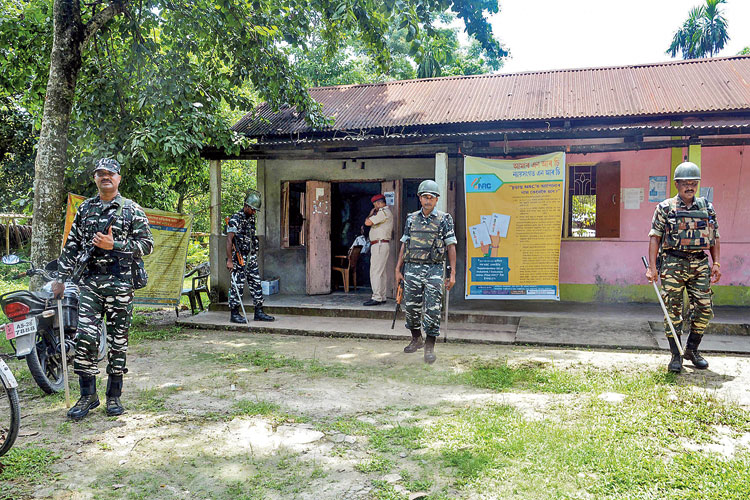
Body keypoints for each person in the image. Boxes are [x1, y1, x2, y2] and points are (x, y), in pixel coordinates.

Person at [52, 158, 154, 420]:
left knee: (118, 342)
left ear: (119, 178)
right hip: (89, 284)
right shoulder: (85, 209)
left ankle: (113, 396)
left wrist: (115, 245)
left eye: (110, 173)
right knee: (85, 338)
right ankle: (88, 395)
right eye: (100, 174)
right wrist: (61, 278)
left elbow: (147, 246)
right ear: (95, 179)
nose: (105, 177)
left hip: (120, 283)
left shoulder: (131, 210)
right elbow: (72, 246)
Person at [645, 161, 721, 373]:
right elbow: (655, 238)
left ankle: (692, 350)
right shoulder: (665, 208)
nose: (690, 186)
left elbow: (714, 238)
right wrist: (652, 268)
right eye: (686, 182)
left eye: (694, 182)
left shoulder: (707, 208)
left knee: (705, 309)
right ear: (677, 184)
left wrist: (716, 263)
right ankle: (675, 355)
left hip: (699, 263)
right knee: (672, 311)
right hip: (672, 263)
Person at [395, 180, 456, 364]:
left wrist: (452, 274)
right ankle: (416, 338)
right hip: (412, 268)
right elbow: (404, 243)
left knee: (432, 308)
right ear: (419, 198)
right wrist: (398, 269)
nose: (428, 200)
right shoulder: (411, 219)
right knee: (411, 308)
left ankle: (430, 345)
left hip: (434, 270)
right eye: (424, 197)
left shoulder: (445, 219)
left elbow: (451, 246)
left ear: (436, 199)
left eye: (431, 197)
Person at [226, 190, 274, 324]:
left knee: (256, 283)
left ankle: (259, 311)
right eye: (252, 209)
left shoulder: (251, 218)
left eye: (255, 211)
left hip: (250, 257)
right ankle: (234, 314)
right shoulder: (235, 219)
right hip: (238, 257)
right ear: (246, 206)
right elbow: (229, 240)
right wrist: (230, 260)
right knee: (238, 286)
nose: (254, 212)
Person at [363, 194, 393, 306]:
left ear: (379, 203)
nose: (375, 206)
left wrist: (371, 214)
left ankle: (377, 297)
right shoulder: (385, 213)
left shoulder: (383, 212)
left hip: (379, 244)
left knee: (375, 272)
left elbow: (367, 222)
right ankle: (382, 296)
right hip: (381, 244)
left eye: (375, 204)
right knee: (381, 273)